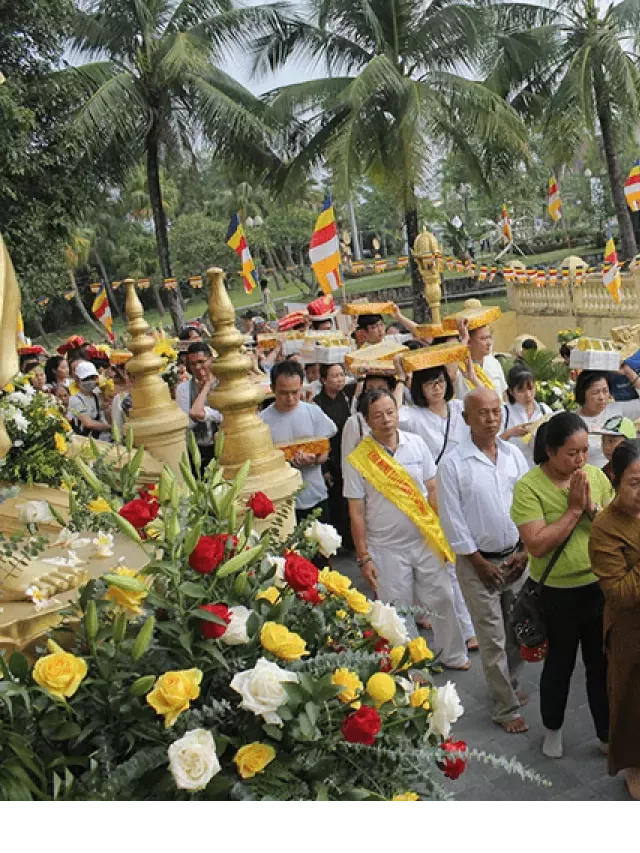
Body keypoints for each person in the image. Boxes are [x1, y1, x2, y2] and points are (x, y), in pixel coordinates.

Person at [511, 412, 613, 758]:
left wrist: (593, 509)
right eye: (572, 453)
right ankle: (552, 729)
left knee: (600, 665)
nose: (580, 460)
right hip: (555, 592)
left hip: (596, 586)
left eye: (585, 450)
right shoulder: (529, 487)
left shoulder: (596, 477)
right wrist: (573, 511)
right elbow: (537, 544)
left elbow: (613, 529)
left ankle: (606, 733)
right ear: (550, 451)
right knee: (560, 665)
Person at [344, 388, 469, 667]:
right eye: (378, 415)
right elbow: (357, 511)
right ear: (366, 420)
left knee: (444, 597)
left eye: (391, 412)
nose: (387, 420)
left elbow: (432, 489)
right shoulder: (358, 460)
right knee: (398, 610)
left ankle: (454, 654)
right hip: (385, 547)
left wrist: (443, 531)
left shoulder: (416, 444)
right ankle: (409, 663)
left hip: (424, 539)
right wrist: (364, 557)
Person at [437, 388, 530, 733]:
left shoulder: (513, 455)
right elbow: (452, 520)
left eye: (495, 412)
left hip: (516, 559)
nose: (491, 419)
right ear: (466, 419)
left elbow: (526, 502)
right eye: (482, 413)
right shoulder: (452, 464)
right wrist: (478, 562)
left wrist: (525, 549)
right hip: (478, 565)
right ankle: (504, 709)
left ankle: (512, 686)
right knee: (491, 639)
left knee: (518, 630)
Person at [589, 439, 640, 800]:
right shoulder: (606, 527)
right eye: (635, 483)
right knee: (631, 702)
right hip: (630, 631)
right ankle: (633, 766)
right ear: (615, 480)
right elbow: (620, 594)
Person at [260, 360, 337, 522]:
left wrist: (315, 459)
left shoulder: (313, 412)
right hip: (282, 500)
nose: (290, 398)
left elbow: (325, 449)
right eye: (283, 393)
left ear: (302, 386)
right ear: (272, 389)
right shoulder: (263, 422)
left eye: (295, 392)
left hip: (315, 494)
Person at [314, 363, 355, 547]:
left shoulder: (346, 397)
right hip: (329, 458)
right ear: (323, 379)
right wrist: (323, 469)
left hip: (346, 453)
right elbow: (317, 438)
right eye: (335, 376)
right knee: (335, 500)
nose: (340, 379)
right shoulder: (317, 403)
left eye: (342, 375)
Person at [574, 371, 640, 467]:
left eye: (605, 391)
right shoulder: (573, 421)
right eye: (595, 392)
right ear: (582, 394)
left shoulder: (617, 409)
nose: (602, 397)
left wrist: (627, 371)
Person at [175, 342, 222, 470]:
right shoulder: (183, 389)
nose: (198, 367)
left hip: (225, 445)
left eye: (202, 361)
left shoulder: (223, 384)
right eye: (193, 364)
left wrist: (206, 413)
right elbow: (190, 419)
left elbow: (226, 416)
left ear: (211, 359)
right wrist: (205, 388)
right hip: (198, 449)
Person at [501, 366, 553, 467]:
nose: (528, 395)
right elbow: (491, 444)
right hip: (511, 470)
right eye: (521, 390)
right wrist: (510, 433)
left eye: (531, 388)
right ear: (511, 391)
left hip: (539, 470)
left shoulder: (544, 410)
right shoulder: (503, 412)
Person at [68, 361, 111, 441]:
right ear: (78, 380)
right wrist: (111, 428)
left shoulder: (97, 396)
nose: (90, 381)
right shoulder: (75, 400)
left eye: (92, 378)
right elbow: (88, 423)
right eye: (86, 379)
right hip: (83, 441)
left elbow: (104, 418)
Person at [466, 321, 507, 399]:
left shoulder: (494, 363)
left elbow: (504, 393)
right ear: (469, 342)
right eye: (483, 338)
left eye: (489, 337)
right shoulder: (461, 368)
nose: (489, 343)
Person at [591, 415, 637, 484]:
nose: (606, 447)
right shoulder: (602, 474)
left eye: (612, 441)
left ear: (629, 442)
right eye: (603, 441)